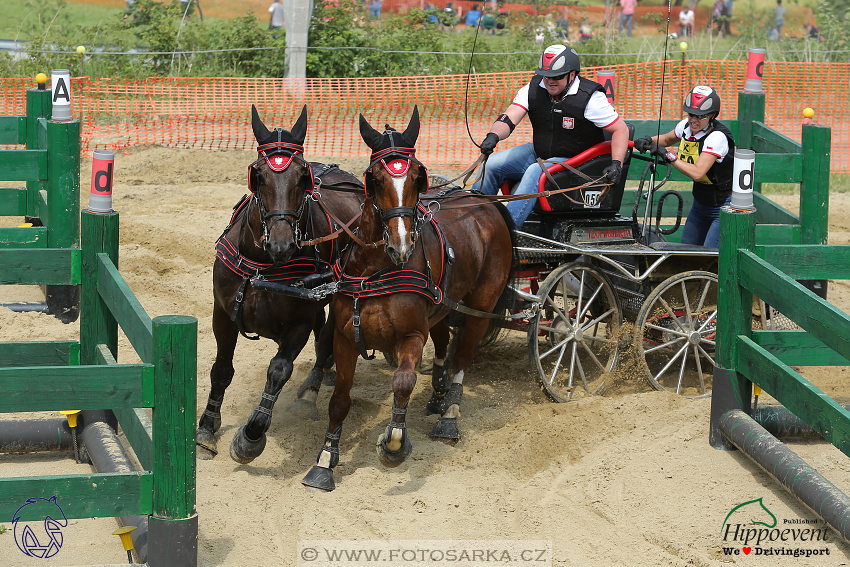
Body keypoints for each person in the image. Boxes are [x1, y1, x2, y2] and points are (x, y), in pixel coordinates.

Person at [471, 45, 629, 229]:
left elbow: (621, 130)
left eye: (557, 76)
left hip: (576, 159)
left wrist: (616, 164)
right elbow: (509, 117)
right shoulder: (533, 88)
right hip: (539, 150)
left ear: (572, 74)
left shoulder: (590, 98)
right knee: (491, 165)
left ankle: (507, 233)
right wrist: (493, 136)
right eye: (546, 76)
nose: (550, 81)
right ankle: (475, 223)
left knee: (533, 172)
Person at [633, 86, 735, 248]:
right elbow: (666, 139)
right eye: (691, 114)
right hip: (700, 204)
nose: (694, 120)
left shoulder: (717, 137)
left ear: (712, 115)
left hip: (723, 207)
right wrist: (648, 140)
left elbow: (698, 173)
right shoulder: (687, 127)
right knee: (686, 252)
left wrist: (669, 156)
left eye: (701, 116)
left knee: (711, 257)